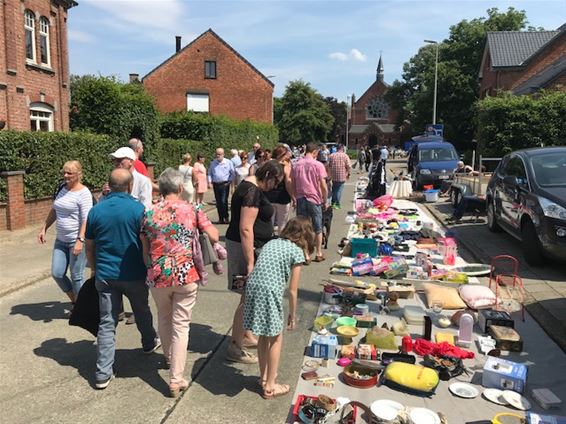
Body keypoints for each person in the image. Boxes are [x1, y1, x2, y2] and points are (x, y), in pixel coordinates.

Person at [141, 168, 219, 398]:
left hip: (158, 274)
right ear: (179, 188)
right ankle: (175, 379)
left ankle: (169, 358)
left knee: (164, 318)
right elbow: (214, 235)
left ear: (162, 189)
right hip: (186, 274)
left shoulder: (149, 212)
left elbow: (144, 245)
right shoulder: (192, 210)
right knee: (181, 324)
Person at [85, 169, 159, 390]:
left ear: (109, 185)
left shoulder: (96, 211)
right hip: (134, 273)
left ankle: (102, 373)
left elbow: (90, 245)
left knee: (107, 322)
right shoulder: (139, 209)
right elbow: (147, 242)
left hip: (106, 274)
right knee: (142, 310)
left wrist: (95, 269)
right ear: (130, 186)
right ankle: (148, 342)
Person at [244, 217, 314, 399]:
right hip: (269, 291)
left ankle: (264, 377)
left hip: (253, 287)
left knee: (263, 336)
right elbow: (292, 290)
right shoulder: (296, 252)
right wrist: (292, 314)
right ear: (305, 236)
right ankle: (271, 386)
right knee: (276, 337)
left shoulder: (272, 242)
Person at [225, 160, 284, 364]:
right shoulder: (252, 192)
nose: (276, 186)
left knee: (248, 296)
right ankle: (235, 346)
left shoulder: (248, 186)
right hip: (245, 249)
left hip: (247, 246)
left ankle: (246, 335)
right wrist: (250, 262)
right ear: (268, 175)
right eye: (275, 181)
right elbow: (246, 228)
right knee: (247, 297)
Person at [38, 160, 93, 309]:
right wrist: (44, 227)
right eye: (64, 172)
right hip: (60, 241)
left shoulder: (84, 193)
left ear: (79, 174)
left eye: (69, 173)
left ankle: (83, 308)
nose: (65, 175)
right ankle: (76, 300)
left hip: (76, 241)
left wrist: (80, 240)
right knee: (57, 273)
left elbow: (85, 219)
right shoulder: (61, 188)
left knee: (77, 276)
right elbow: (55, 209)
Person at [291, 142, 328, 263]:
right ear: (315, 152)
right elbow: (323, 184)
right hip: (314, 198)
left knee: (302, 227)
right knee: (317, 227)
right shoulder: (318, 165)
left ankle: (306, 254)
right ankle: (318, 253)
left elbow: (293, 182)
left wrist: (294, 197)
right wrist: (325, 199)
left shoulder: (296, 165)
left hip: (301, 197)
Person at [266, 145, 294, 234]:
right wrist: (293, 197)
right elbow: (288, 184)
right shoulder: (286, 167)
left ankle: (268, 241)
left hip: (269, 197)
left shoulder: (268, 165)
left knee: (269, 222)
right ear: (282, 155)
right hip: (283, 197)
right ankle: (280, 242)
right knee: (282, 224)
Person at [208, 148, 235, 224]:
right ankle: (220, 218)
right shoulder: (213, 163)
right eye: (216, 154)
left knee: (223, 201)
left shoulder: (228, 162)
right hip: (216, 184)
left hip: (225, 184)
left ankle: (226, 217)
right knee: (218, 202)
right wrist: (209, 182)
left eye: (219, 154)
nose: (218, 156)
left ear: (223, 154)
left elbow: (232, 173)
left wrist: (229, 181)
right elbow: (210, 173)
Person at [328, 144, 351, 209]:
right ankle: (337, 203)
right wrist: (348, 174)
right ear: (342, 148)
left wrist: (329, 174)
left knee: (334, 189)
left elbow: (328, 165)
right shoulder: (345, 156)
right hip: (342, 175)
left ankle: (333, 202)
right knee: (339, 190)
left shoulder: (331, 155)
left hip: (333, 175)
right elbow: (348, 166)